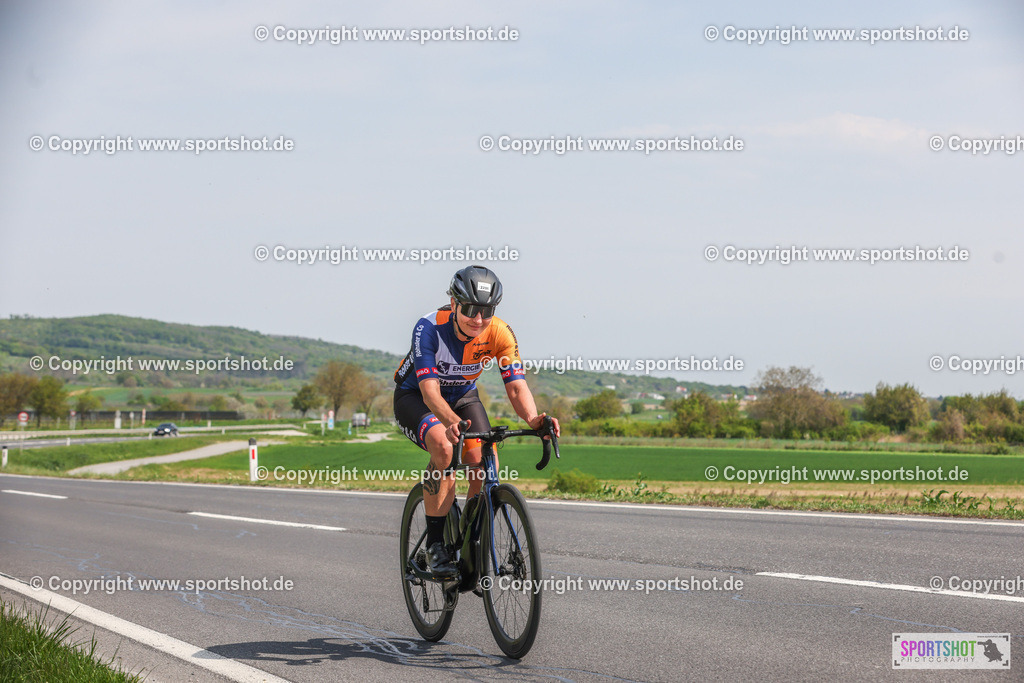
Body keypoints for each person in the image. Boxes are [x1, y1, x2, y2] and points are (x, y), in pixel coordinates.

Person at [393, 265, 560, 579]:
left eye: (486, 310)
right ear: (454, 303)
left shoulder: (500, 332)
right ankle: (437, 545)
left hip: (463, 396)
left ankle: (470, 537)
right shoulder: (428, 327)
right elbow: (430, 394)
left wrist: (535, 418)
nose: (478, 319)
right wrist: (452, 422)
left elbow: (515, 385)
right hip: (415, 397)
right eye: (470, 309)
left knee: (486, 461)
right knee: (444, 445)